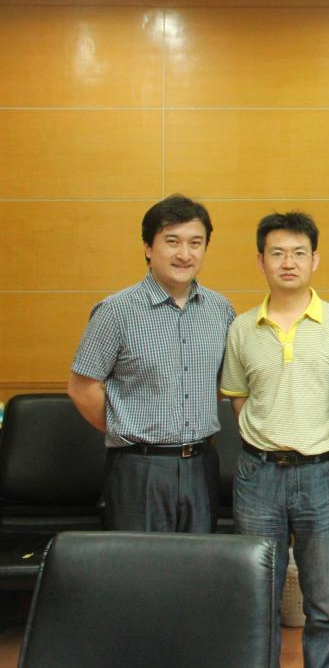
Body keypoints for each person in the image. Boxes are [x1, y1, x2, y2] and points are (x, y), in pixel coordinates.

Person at [219, 212, 329, 668]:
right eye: (277, 253)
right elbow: (238, 398)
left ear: (315, 260)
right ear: (261, 261)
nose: (288, 262)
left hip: (323, 474)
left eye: (299, 253)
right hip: (257, 476)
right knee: (258, 597)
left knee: (325, 603)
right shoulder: (242, 328)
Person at [68, 194, 234, 532]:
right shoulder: (116, 311)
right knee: (139, 563)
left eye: (195, 243)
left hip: (201, 465)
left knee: (200, 560)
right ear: (148, 247)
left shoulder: (221, 310)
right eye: (172, 241)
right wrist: (130, 428)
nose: (184, 254)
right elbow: (82, 388)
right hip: (138, 468)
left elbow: (221, 383)